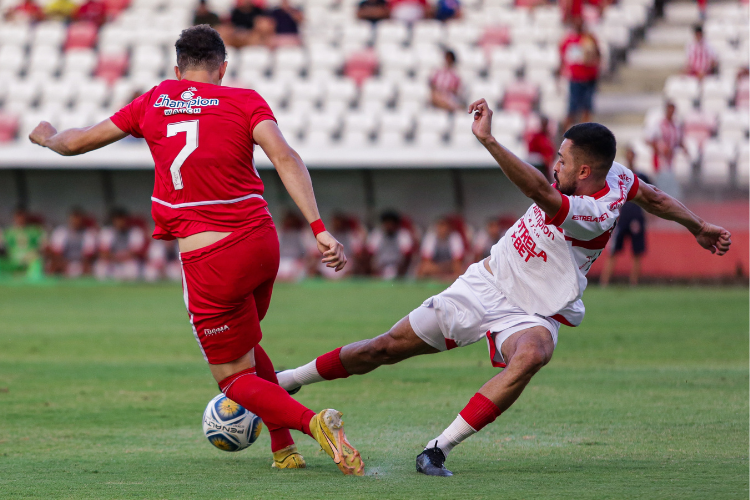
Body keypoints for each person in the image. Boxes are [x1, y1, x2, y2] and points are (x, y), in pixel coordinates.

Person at [276, 98, 732, 476]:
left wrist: (489, 141)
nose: (555, 165)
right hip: (487, 281)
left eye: (563, 161)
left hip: (536, 309)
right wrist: (699, 225)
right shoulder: (616, 177)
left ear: (587, 172)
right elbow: (653, 195)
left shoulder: (590, 212)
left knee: (533, 354)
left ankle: (438, 448)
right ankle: (289, 380)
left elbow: (539, 190)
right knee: (385, 348)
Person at [28, 25, 363, 476]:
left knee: (232, 377)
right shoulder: (246, 100)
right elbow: (286, 157)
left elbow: (76, 142)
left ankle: (313, 423)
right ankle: (282, 446)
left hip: (212, 260)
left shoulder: (154, 100)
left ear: (177, 69)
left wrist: (46, 136)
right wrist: (319, 229)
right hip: (262, 244)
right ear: (222, 69)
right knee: (246, 342)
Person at [600, 147, 651, 287]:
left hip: (636, 217)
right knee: (613, 251)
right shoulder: (616, 176)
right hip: (621, 217)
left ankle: (633, 283)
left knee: (636, 252)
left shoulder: (642, 176)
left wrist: (646, 215)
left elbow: (650, 196)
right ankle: (604, 283)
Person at [560, 17, 600, 129]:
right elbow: (563, 57)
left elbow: (597, 54)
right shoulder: (569, 40)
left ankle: (585, 132)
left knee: (586, 108)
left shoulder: (589, 38)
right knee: (572, 108)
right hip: (576, 78)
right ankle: (566, 134)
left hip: (589, 77)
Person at [93, 208, 146, 281]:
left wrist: (121, 257)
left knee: (133, 267)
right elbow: (103, 253)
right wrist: (116, 257)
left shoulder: (135, 232)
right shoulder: (107, 232)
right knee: (100, 265)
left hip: (128, 262)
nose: (120, 222)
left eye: (122, 219)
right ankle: (104, 289)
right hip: (112, 261)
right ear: (113, 220)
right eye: (117, 219)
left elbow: (135, 253)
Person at [646, 100, 684, 197]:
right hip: (660, 159)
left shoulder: (676, 126)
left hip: (671, 158)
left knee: (670, 182)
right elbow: (649, 139)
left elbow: (679, 141)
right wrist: (660, 149)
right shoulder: (659, 125)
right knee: (661, 183)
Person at [48, 207, 97, 278]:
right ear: (69, 219)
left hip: (80, 263)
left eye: (78, 218)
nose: (76, 221)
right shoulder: (60, 232)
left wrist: (83, 266)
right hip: (65, 262)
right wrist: (64, 265)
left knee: (91, 266)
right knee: (53, 264)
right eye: (74, 218)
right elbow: (57, 254)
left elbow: (88, 256)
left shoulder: (88, 233)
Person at [367, 210, 415, 279]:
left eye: (391, 223)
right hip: (380, 267)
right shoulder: (377, 234)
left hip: (397, 267)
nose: (389, 225)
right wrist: (372, 271)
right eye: (387, 222)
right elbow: (370, 255)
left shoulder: (403, 235)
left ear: (396, 224)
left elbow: (408, 257)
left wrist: (401, 272)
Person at [0, 207, 45, 279]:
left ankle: (32, 280)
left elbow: (43, 247)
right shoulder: (7, 232)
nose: (20, 219)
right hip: (12, 260)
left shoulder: (34, 231)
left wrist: (33, 254)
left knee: (37, 262)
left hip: (29, 260)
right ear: (14, 217)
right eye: (18, 216)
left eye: (22, 216)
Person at [416, 216, 465, 280]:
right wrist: (438, 268)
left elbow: (457, 260)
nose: (442, 229)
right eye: (439, 226)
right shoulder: (430, 237)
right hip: (435, 266)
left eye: (444, 226)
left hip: (449, 266)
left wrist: (444, 267)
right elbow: (426, 259)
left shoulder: (455, 237)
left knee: (458, 267)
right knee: (423, 267)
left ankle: (444, 279)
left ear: (449, 227)